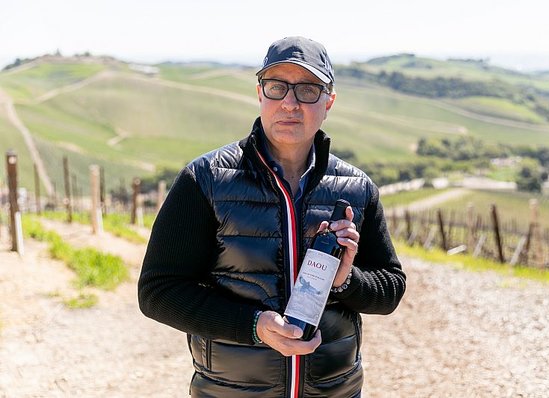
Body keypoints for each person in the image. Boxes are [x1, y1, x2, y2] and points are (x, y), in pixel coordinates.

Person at [138, 36, 407, 398]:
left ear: (329, 101)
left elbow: (390, 289)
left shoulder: (357, 189)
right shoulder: (205, 180)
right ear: (260, 93)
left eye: (307, 90)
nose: (290, 104)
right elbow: (158, 291)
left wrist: (346, 281)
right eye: (277, 87)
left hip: (335, 391)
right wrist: (253, 326)